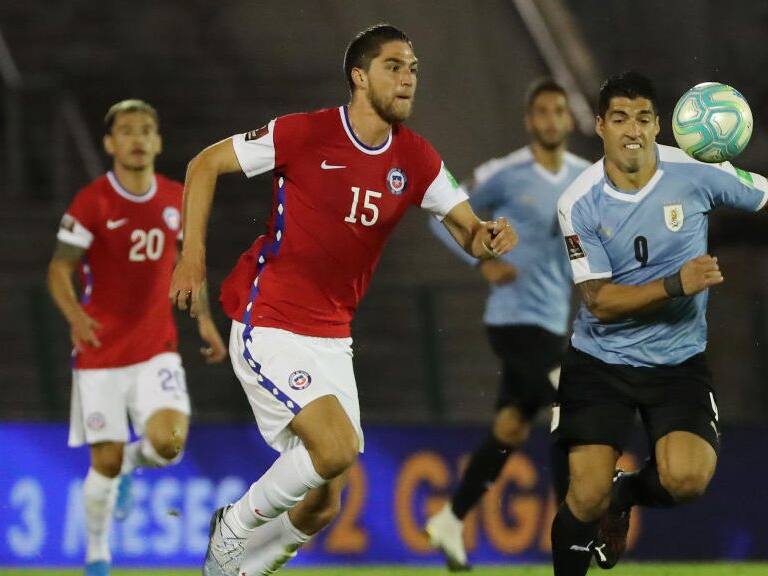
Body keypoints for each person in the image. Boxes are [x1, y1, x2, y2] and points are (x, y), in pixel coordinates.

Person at [169, 23, 518, 576]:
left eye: (414, 69)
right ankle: (231, 527)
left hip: (333, 336)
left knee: (324, 500)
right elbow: (204, 163)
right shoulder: (305, 134)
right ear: (359, 76)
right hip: (272, 321)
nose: (408, 80)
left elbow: (467, 228)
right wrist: (192, 257)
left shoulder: (418, 159)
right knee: (333, 450)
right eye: (394, 67)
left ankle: (237, 571)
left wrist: (488, 236)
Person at [551, 71, 768, 576]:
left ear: (658, 126)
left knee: (688, 480)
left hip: (677, 364)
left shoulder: (695, 170)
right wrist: (676, 283)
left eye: (644, 119)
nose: (634, 131)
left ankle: (624, 492)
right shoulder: (578, 201)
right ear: (601, 126)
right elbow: (600, 301)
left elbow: (762, 193)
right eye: (621, 119)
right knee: (584, 496)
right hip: (600, 362)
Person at [47, 99, 227, 576]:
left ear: (159, 141)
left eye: (147, 129)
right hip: (99, 354)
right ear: (110, 143)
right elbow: (58, 270)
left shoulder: (176, 198)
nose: (138, 138)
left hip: (155, 351)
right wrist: (74, 315)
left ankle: (134, 460)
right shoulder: (92, 202)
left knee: (169, 444)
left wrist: (204, 319)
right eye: (127, 130)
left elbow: (189, 267)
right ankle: (98, 559)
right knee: (101, 465)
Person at [424, 79, 589, 570]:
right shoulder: (505, 174)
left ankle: (451, 519)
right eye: (542, 111)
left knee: (512, 427)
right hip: (513, 320)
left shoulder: (586, 178)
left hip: (554, 321)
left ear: (568, 119)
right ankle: (573, 534)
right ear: (529, 120)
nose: (551, 120)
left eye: (559, 111)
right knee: (569, 403)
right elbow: (441, 217)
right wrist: (482, 262)